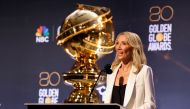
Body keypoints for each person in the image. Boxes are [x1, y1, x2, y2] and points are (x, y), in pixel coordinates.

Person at [104, 31, 156, 109]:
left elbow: (150, 104)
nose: (118, 47)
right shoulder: (112, 72)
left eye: (124, 43)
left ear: (133, 47)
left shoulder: (144, 71)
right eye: (117, 43)